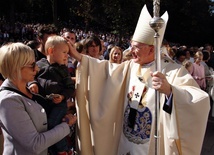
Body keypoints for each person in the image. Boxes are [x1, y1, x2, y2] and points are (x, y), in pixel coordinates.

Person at [69, 5, 210, 155]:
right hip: (125, 140)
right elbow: (105, 72)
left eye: (136, 47)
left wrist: (170, 91)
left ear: (151, 49)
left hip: (152, 145)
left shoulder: (173, 71)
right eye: (131, 45)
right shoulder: (130, 66)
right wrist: (79, 57)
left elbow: (200, 100)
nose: (130, 51)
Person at [0, 42, 77, 155]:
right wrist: (66, 124)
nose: (36, 68)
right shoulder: (8, 101)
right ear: (16, 67)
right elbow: (35, 144)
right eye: (32, 65)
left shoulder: (29, 89)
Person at [30, 36, 76, 155]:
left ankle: (63, 150)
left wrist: (62, 97)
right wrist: (33, 84)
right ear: (51, 51)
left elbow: (70, 88)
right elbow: (30, 77)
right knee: (43, 128)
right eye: (64, 52)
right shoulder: (38, 64)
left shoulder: (63, 70)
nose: (67, 56)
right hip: (42, 104)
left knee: (53, 124)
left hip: (58, 105)